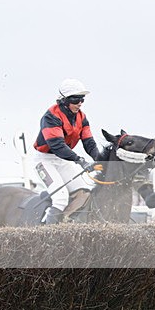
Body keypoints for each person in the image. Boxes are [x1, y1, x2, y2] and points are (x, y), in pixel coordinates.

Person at [31, 78, 101, 224]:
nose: (80, 103)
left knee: (84, 192)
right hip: (44, 159)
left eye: (82, 99)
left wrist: (99, 158)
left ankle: (65, 224)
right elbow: (57, 146)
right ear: (64, 100)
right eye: (76, 99)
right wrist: (80, 160)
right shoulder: (51, 116)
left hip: (63, 159)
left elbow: (89, 143)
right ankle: (46, 233)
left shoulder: (82, 117)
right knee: (60, 197)